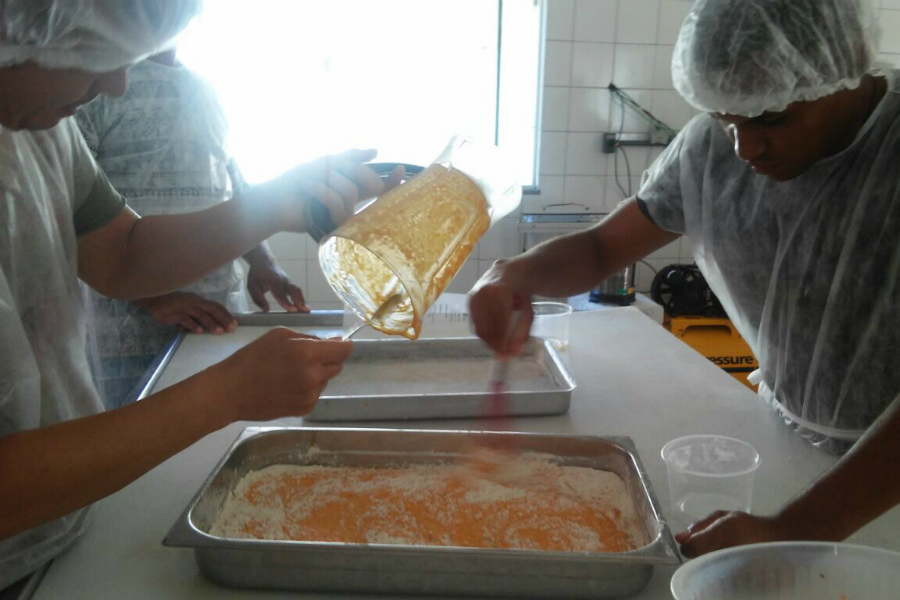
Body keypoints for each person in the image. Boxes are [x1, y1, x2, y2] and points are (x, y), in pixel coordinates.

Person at [469, 0, 900, 558]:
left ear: (846, 67)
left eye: (772, 117)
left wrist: (802, 527)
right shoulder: (711, 150)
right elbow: (602, 246)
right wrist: (514, 274)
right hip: (790, 447)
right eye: (728, 118)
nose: (746, 148)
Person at [0, 1, 401, 588]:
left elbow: (123, 253)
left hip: (59, 530)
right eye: (94, 55)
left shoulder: (40, 127)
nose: (118, 84)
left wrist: (274, 202)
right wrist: (226, 394)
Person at [76, 48, 307, 408]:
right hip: (124, 336)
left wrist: (262, 261)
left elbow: (232, 186)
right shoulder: (92, 89)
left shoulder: (205, 90)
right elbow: (73, 209)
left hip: (215, 322)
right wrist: (155, 296)